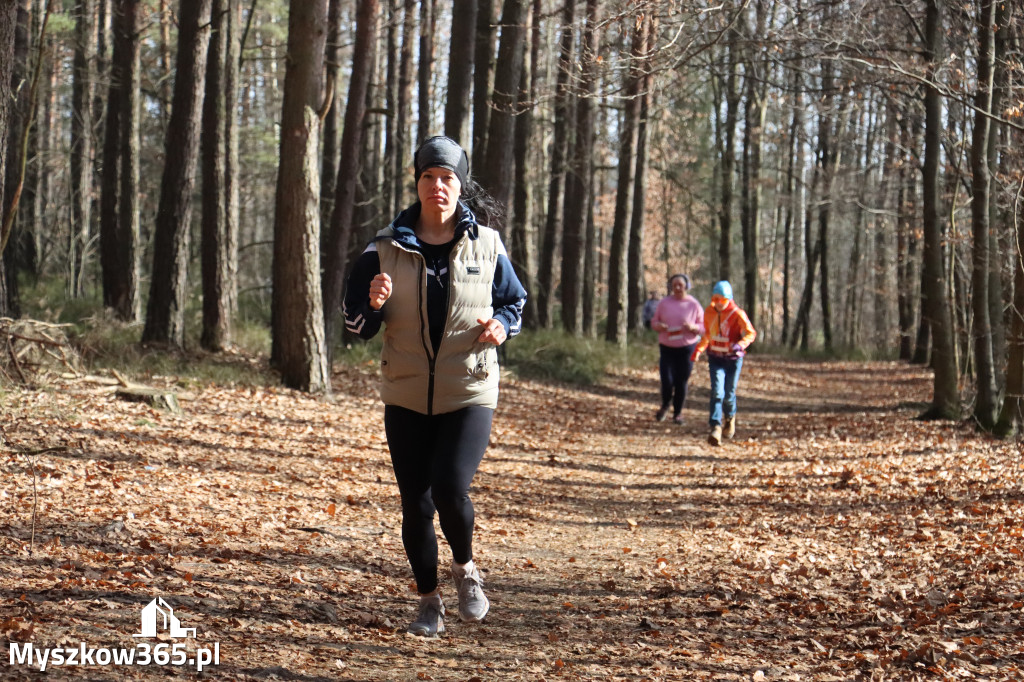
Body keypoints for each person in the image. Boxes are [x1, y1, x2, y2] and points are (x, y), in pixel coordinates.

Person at [343, 136, 527, 637]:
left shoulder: (486, 244)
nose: (437, 187)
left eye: (447, 179)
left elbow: (514, 302)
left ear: (460, 186)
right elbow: (353, 325)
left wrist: (502, 327)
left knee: (449, 485)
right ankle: (428, 603)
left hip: (469, 388)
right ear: (417, 182)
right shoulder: (383, 247)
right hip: (405, 392)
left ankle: (465, 569)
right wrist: (373, 303)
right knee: (416, 502)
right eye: (429, 177)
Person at [691, 280, 756, 445]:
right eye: (716, 299)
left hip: (733, 359)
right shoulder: (709, 312)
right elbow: (708, 334)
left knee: (728, 394)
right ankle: (715, 427)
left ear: (729, 299)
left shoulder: (737, 313)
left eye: (723, 300)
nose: (719, 303)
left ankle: (730, 417)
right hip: (715, 358)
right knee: (716, 392)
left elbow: (750, 333)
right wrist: (699, 349)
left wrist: (740, 344)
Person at [649, 274, 704, 424]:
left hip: (687, 347)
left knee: (681, 381)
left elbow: (703, 326)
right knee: (666, 379)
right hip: (667, 347)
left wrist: (693, 327)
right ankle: (665, 404)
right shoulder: (664, 303)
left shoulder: (693, 304)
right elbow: (654, 321)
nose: (678, 288)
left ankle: (678, 414)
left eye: (680, 285)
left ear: (687, 286)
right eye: (675, 285)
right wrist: (659, 326)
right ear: (671, 287)